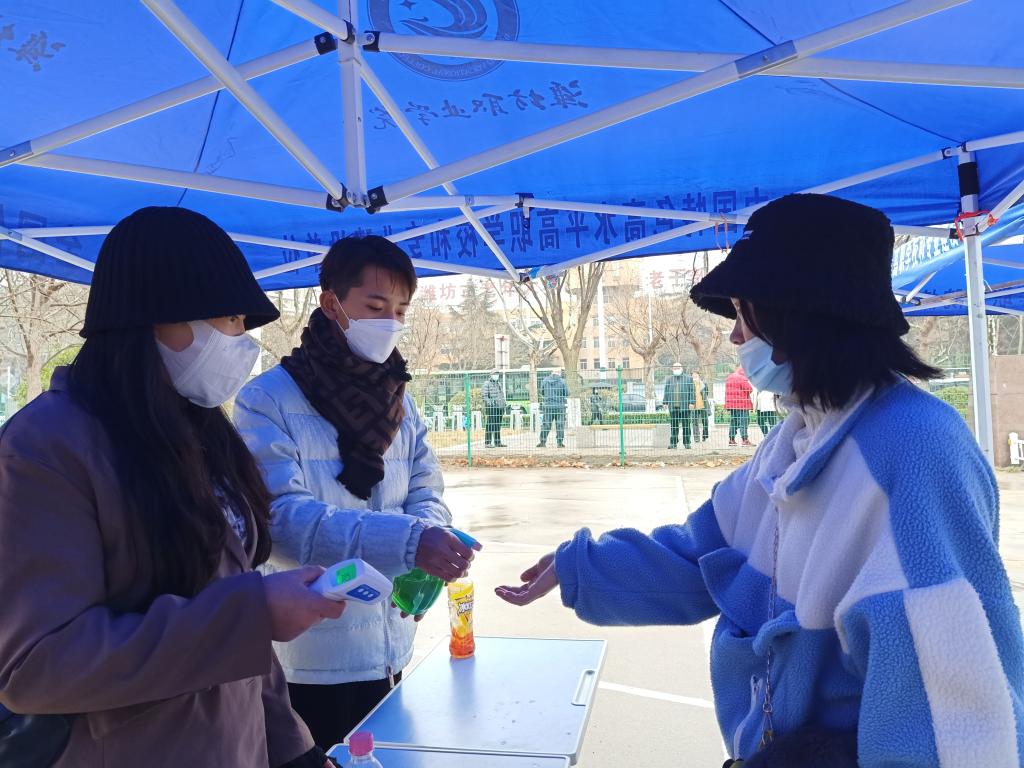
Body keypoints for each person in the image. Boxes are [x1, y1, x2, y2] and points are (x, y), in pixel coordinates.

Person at [495, 194, 1024, 767]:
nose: (735, 337)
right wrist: (581, 566)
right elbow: (700, 554)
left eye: (744, 315)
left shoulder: (915, 448)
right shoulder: (798, 435)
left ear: (801, 314)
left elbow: (951, 712)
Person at [0, 207, 341, 767]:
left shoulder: (194, 427)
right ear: (153, 316)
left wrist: (294, 751)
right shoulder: (46, 446)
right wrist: (251, 614)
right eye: (229, 318)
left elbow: (240, 649)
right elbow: (36, 666)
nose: (243, 341)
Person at [234, 235, 478, 752]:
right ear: (332, 304)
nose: (390, 321)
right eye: (375, 305)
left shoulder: (399, 400)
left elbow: (427, 487)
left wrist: (426, 546)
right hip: (311, 658)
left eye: (400, 310)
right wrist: (411, 542)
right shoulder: (267, 399)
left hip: (391, 642)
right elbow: (282, 521)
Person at [662, 363, 696, 449]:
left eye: (678, 367)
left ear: (682, 368)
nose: (676, 369)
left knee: (686, 426)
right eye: (674, 368)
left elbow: (692, 391)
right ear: (672, 369)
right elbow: (666, 391)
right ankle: (673, 443)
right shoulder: (669, 379)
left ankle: (687, 443)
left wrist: (692, 402)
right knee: (674, 426)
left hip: (685, 407)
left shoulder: (688, 378)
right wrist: (665, 402)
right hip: (673, 407)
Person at [537, 369, 569, 448]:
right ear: (559, 373)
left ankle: (542, 442)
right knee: (560, 424)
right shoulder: (562, 381)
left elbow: (542, 392)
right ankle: (559, 443)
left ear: (552, 373)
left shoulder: (545, 380)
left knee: (546, 424)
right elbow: (567, 393)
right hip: (560, 407)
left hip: (548, 406)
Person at [725, 365, 754, 446]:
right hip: (742, 404)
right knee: (744, 422)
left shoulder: (729, 377)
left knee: (734, 422)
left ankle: (731, 439)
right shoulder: (742, 378)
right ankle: (745, 440)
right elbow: (749, 389)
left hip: (732, 404)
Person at [482, 370, 507, 447]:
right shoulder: (487, 383)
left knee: (498, 425)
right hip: (492, 407)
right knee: (490, 425)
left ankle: (497, 442)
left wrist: (504, 404)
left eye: (497, 374)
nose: (496, 375)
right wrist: (490, 403)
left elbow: (501, 395)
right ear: (491, 375)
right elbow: (484, 396)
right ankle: (487, 442)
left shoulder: (498, 383)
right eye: (495, 374)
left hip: (500, 407)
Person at [692, 370, 710, 442]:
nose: (694, 377)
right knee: (695, 423)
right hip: (694, 406)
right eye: (693, 376)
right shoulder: (690, 385)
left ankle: (704, 436)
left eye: (696, 376)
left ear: (699, 376)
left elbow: (707, 392)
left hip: (703, 406)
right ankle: (696, 438)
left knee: (705, 422)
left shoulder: (703, 384)